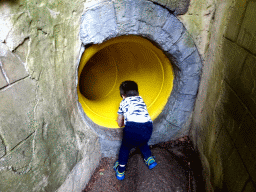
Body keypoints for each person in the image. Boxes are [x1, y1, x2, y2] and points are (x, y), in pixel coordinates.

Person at [113, 80, 157, 180]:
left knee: (125, 148)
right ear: (137, 93)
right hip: (148, 127)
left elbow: (120, 122)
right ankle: (150, 160)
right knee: (142, 142)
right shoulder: (141, 100)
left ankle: (120, 171)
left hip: (132, 128)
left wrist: (121, 123)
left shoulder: (123, 102)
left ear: (123, 95)